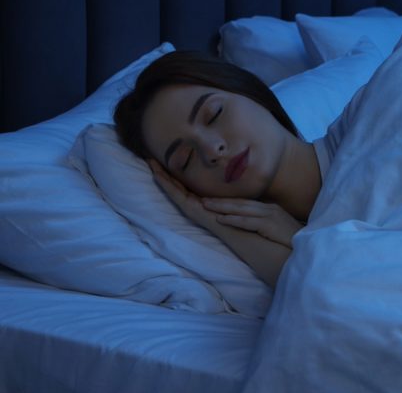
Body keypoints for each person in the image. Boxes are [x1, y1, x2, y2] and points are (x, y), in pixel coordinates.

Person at [114, 50, 322, 287]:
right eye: (186, 159)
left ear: (249, 90)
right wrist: (218, 224)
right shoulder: (290, 239)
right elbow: (324, 301)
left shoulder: (369, 126)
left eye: (214, 114)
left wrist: (303, 240)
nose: (212, 150)